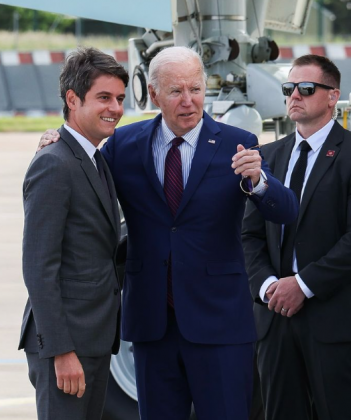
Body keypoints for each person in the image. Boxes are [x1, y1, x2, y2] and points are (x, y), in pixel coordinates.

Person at [39, 46, 298, 420]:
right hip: (152, 325)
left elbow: (285, 210)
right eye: (176, 91)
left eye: (195, 89)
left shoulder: (236, 143)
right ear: (155, 94)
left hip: (220, 324)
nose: (189, 101)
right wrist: (57, 140)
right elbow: (82, 167)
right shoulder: (123, 146)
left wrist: (259, 181)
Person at [18, 47, 129, 420]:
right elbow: (38, 267)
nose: (114, 107)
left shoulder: (95, 159)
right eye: (103, 98)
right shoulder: (54, 163)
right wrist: (60, 351)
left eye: (119, 99)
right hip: (66, 345)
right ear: (72, 99)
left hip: (94, 337)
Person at [242, 54, 351, 420]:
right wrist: (268, 285)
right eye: (289, 88)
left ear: (333, 95)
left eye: (306, 88)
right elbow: (248, 235)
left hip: (333, 319)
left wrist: (302, 285)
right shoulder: (267, 156)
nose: (294, 96)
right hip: (274, 318)